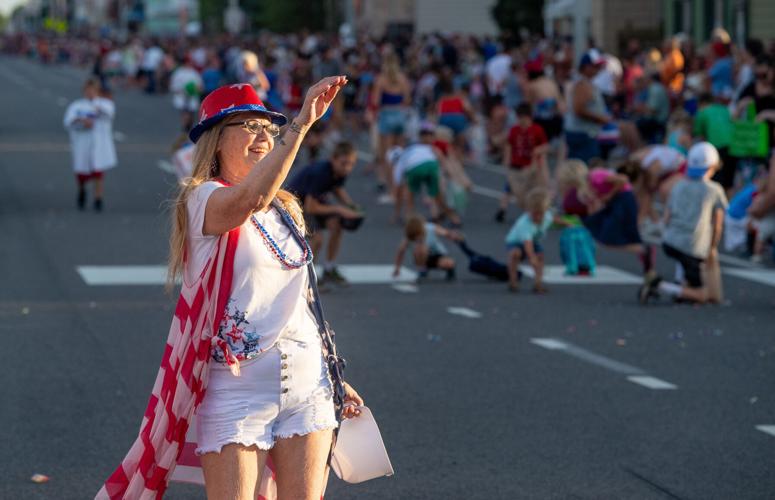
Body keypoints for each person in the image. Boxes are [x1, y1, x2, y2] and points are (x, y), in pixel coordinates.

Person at [98, 80, 364, 500]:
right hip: (238, 387)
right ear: (217, 140)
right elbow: (250, 198)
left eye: (270, 129)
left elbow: (304, 302)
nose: (264, 137)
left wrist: (335, 374)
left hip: (308, 379)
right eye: (250, 126)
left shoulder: (286, 208)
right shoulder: (202, 199)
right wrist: (300, 125)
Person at [640, 143, 728, 304]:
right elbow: (718, 223)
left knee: (683, 260)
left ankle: (680, 287)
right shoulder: (714, 189)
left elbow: (666, 217)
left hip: (670, 240)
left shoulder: (678, 186)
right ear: (713, 166)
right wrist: (712, 246)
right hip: (693, 245)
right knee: (702, 293)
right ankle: (659, 285)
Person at [285, 141, 361, 286]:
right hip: (296, 204)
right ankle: (306, 276)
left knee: (336, 225)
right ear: (333, 159)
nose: (347, 168)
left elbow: (337, 188)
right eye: (344, 163)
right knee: (317, 239)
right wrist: (341, 209)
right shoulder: (321, 173)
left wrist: (351, 206)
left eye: (351, 164)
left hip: (313, 201)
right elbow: (311, 207)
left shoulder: (338, 171)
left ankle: (329, 268)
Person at [63, 78, 116, 212]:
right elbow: (68, 121)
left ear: (97, 90)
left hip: (98, 145)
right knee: (81, 174)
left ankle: (98, 198)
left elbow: (109, 114)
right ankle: (81, 190)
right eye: (88, 90)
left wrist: (97, 106)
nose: (90, 92)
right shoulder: (77, 105)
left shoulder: (105, 104)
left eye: (93, 90)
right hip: (82, 143)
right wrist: (81, 121)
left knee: (98, 172)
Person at [505, 188, 565, 293]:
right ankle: (513, 281)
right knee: (516, 254)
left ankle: (538, 283)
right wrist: (532, 258)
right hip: (516, 241)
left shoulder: (546, 216)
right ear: (528, 211)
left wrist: (568, 224)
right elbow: (527, 244)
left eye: (540, 214)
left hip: (533, 241)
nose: (537, 217)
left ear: (545, 211)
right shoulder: (524, 223)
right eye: (534, 214)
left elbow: (554, 219)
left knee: (540, 257)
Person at [499, 102, 549, 220]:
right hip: (516, 164)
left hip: (531, 167)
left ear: (530, 117)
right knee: (509, 187)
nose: (522, 121)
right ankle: (502, 208)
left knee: (532, 189)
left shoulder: (537, 130)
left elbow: (545, 145)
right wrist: (507, 159)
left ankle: (534, 210)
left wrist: (538, 150)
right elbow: (509, 145)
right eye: (519, 118)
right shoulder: (514, 130)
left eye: (524, 118)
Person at [371, 52, 412, 194]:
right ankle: (402, 185)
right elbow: (407, 100)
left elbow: (375, 101)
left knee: (386, 155)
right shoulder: (402, 79)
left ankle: (392, 188)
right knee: (399, 154)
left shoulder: (381, 79)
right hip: (400, 115)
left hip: (386, 115)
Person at [565, 49, 610, 162]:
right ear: (586, 67)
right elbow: (578, 109)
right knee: (583, 171)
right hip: (582, 135)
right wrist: (601, 118)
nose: (598, 70)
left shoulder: (585, 83)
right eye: (595, 66)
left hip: (584, 134)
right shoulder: (582, 84)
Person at [393, 214, 457, 281]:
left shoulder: (431, 228)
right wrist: (397, 268)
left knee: (450, 263)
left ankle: (449, 271)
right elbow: (400, 252)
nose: (417, 238)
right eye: (415, 236)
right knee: (420, 247)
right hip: (422, 257)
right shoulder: (409, 236)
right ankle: (423, 268)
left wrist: (454, 236)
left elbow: (446, 233)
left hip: (437, 255)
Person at [693, 93, 735, 194]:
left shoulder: (702, 112)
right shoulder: (724, 109)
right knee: (729, 181)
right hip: (733, 146)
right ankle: (729, 206)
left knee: (717, 179)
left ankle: (717, 204)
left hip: (716, 148)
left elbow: (698, 134)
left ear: (701, 103)